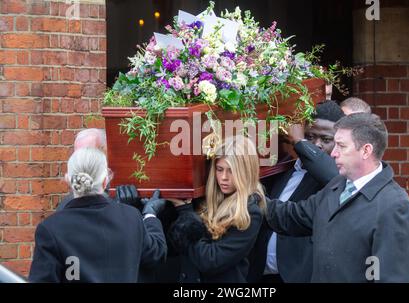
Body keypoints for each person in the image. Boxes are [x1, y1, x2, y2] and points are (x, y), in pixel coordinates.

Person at [265, 113, 409, 282]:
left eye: (341, 146)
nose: (333, 153)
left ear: (366, 150)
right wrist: (249, 196)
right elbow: (293, 217)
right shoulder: (337, 186)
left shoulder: (394, 206)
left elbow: (391, 278)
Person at [29, 148, 167, 282]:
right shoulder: (130, 217)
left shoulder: (51, 228)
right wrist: (150, 215)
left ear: (68, 180)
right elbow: (156, 253)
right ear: (105, 181)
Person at [247, 101, 344, 283]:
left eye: (325, 139)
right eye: (310, 136)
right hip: (261, 275)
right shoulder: (285, 169)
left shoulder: (338, 177)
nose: (316, 144)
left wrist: (301, 142)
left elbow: (332, 175)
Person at [164, 135, 266, 283]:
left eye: (231, 171)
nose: (224, 177)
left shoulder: (250, 211)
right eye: (219, 169)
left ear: (246, 172)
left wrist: (185, 213)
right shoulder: (205, 198)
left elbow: (210, 261)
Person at [56, 128, 139, 211]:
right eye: (78, 155)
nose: (80, 160)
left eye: (88, 154)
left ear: (106, 153)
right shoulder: (66, 205)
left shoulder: (126, 188)